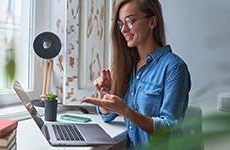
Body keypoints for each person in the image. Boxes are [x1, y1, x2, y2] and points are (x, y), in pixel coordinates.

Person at [82, 0, 191, 148]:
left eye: (130, 21)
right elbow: (108, 116)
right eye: (121, 24)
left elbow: (169, 128)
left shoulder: (174, 67)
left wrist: (126, 111)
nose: (123, 30)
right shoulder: (131, 67)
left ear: (152, 22)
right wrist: (105, 94)